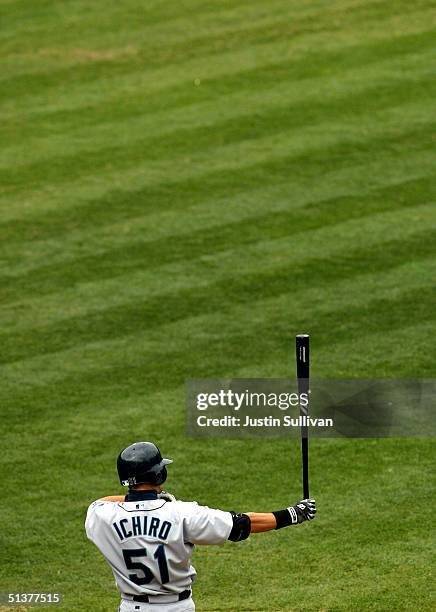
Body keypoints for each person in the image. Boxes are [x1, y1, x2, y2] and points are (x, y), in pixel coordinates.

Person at [85, 441, 317, 611]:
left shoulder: (101, 516)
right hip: (177, 607)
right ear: (159, 475)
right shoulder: (182, 513)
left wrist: (139, 500)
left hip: (131, 607)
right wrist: (294, 514)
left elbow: (102, 501)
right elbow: (242, 525)